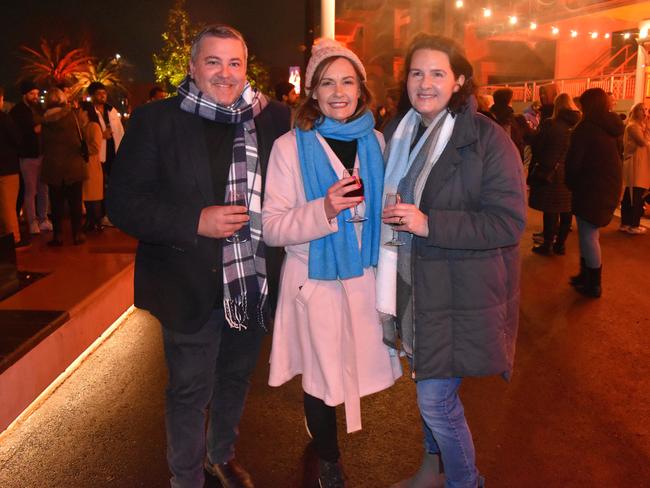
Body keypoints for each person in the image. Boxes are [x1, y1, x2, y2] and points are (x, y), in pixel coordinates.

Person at [106, 24, 290, 488]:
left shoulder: (274, 119)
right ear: (192, 68)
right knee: (189, 391)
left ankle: (220, 454)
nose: (225, 74)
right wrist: (195, 220)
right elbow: (124, 204)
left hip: (252, 280)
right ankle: (184, 477)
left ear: (246, 68)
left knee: (235, 378)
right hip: (187, 282)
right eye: (213, 62)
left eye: (234, 63)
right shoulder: (156, 120)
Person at [378, 34, 526, 488]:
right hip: (415, 287)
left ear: (458, 79)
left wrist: (429, 224)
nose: (425, 83)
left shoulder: (486, 138)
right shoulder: (400, 133)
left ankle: (466, 482)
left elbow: (507, 223)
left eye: (437, 73)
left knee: (436, 401)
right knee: (427, 385)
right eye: (417, 73)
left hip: (459, 293)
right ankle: (431, 470)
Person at [262, 38, 401, 488]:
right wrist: (324, 209)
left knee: (351, 370)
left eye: (347, 81)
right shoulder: (289, 147)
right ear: (313, 92)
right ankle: (328, 458)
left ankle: (325, 442)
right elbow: (273, 228)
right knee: (320, 377)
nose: (338, 92)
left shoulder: (376, 141)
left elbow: (384, 208)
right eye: (327, 82)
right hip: (314, 280)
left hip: (362, 276)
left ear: (361, 89)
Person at [565, 88, 625, 298]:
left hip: (590, 187)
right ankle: (586, 275)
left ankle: (594, 284)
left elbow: (574, 162)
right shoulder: (613, 128)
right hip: (608, 185)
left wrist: (570, 182)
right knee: (588, 233)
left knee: (589, 234)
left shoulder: (585, 128)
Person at [527, 93, 580, 255]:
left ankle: (547, 244)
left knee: (551, 209)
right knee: (566, 209)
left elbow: (538, 146)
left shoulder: (551, 124)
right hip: (571, 172)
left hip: (553, 171)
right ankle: (560, 245)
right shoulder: (578, 125)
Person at [40, 87, 88, 246]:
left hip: (53, 167)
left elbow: (42, 144)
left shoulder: (44, 120)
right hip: (73, 165)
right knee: (75, 202)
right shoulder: (73, 116)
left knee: (56, 203)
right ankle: (77, 234)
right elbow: (81, 137)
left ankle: (58, 235)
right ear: (62, 99)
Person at [10, 79, 52, 235]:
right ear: (24, 95)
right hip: (28, 157)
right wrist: (38, 128)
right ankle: (32, 221)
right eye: (32, 94)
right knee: (30, 190)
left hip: (42, 154)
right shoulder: (17, 111)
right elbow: (23, 133)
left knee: (44, 189)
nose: (35, 96)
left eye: (36, 93)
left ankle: (43, 219)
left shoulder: (39, 109)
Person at [86, 81, 124, 226]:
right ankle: (98, 216)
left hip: (113, 154)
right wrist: (101, 135)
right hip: (97, 155)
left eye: (104, 93)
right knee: (98, 187)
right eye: (98, 94)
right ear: (92, 96)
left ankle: (110, 214)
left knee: (112, 185)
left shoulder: (111, 110)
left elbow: (120, 131)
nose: (102, 96)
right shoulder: (88, 112)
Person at [0, 87, 28, 249]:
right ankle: (14, 239)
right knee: (9, 206)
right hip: (7, 168)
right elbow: (18, 139)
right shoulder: (5, 119)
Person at [620, 103, 649, 235]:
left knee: (631, 194)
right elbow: (642, 142)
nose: (645, 113)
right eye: (642, 110)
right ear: (635, 111)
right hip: (635, 164)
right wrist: (647, 130)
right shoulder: (633, 126)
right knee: (635, 194)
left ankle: (626, 223)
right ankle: (633, 224)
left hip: (639, 164)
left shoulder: (640, 126)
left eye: (646, 110)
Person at [80, 103, 104, 232]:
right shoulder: (84, 126)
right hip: (86, 165)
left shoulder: (93, 126)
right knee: (88, 195)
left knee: (93, 195)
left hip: (92, 165)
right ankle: (91, 220)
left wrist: (82, 149)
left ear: (86, 112)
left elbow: (95, 147)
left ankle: (96, 221)